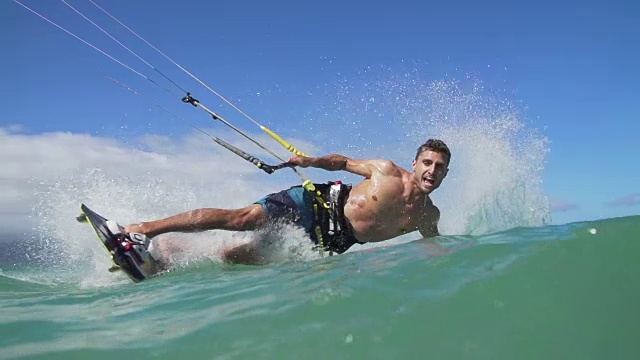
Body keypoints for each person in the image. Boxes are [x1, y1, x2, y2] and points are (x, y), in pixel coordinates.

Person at [124, 139, 451, 264]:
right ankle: (142, 229)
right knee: (242, 220)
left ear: (445, 173)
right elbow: (342, 162)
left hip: (332, 240)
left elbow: (433, 250)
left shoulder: (427, 216)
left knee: (238, 257)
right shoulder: (385, 171)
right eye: (427, 163)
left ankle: (167, 255)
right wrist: (310, 161)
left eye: (439, 167)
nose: (432, 171)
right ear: (415, 164)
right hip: (319, 203)